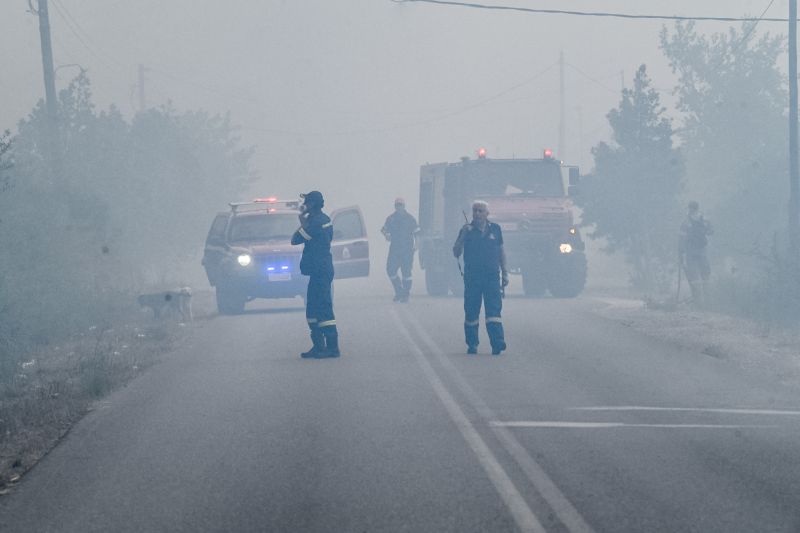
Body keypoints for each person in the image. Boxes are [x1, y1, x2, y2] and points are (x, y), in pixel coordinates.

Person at [452, 200, 509, 355]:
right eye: (475, 211)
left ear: (487, 214)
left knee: (494, 311)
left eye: (480, 211)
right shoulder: (466, 230)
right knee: (471, 312)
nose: (477, 214)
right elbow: (456, 252)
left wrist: (505, 273)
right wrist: (463, 237)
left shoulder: (495, 230)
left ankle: (497, 343)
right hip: (472, 278)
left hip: (491, 277)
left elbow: (501, 252)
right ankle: (472, 344)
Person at [291, 191, 340, 358]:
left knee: (324, 309)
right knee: (312, 309)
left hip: (320, 270)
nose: (304, 205)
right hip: (319, 270)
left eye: (306, 202)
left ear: (312, 204)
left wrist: (302, 221)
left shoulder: (315, 223)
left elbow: (295, 239)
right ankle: (318, 346)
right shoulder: (324, 219)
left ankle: (332, 347)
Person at [381, 198, 419, 302]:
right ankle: (399, 291)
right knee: (390, 270)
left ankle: (405, 295)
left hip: (407, 250)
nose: (399, 207)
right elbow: (384, 229)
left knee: (406, 272)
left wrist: (417, 245)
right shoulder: (391, 219)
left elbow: (417, 233)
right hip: (394, 250)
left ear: (404, 206)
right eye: (397, 205)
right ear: (395, 206)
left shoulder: (410, 219)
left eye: (401, 205)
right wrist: (386, 235)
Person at [679, 200, 713, 307]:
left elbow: (681, 238)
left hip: (690, 250)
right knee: (705, 275)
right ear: (698, 208)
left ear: (690, 208)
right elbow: (711, 231)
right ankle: (708, 300)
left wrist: (680, 252)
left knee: (694, 277)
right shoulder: (705, 219)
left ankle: (698, 302)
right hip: (702, 250)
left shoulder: (685, 221)